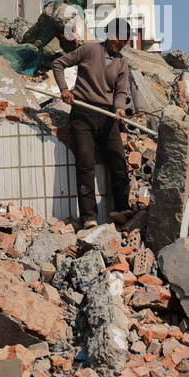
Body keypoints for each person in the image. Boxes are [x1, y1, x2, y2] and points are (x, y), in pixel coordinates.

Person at [50, 19, 134, 228]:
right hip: (82, 113)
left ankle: (122, 208)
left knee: (118, 161)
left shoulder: (122, 62)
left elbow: (121, 91)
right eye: (118, 39)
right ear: (109, 35)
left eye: (124, 41)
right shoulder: (89, 50)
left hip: (107, 116)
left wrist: (120, 107)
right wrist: (64, 89)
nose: (120, 44)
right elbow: (58, 64)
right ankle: (89, 217)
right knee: (85, 164)